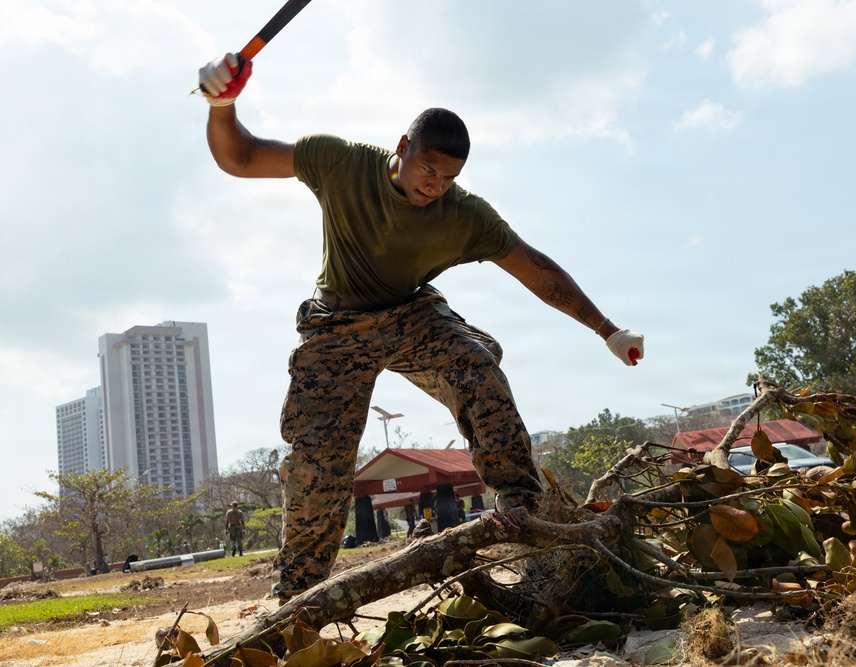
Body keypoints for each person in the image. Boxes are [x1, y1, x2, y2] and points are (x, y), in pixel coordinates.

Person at [197, 53, 645, 603]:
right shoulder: (340, 162)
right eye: (428, 170)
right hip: (336, 327)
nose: (436, 185)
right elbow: (241, 156)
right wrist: (222, 104)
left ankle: (529, 517)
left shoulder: (465, 214)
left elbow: (536, 268)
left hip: (412, 315)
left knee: (476, 364)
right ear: (402, 147)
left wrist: (607, 330)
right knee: (319, 463)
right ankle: (295, 598)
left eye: (449, 177)